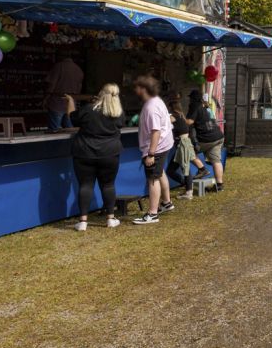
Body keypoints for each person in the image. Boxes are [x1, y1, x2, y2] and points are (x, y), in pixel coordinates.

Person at [66, 85, 125, 231]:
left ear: (100, 94)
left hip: (85, 152)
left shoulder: (88, 109)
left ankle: (83, 222)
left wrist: (70, 101)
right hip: (110, 153)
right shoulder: (118, 113)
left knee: (85, 185)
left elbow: (72, 117)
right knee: (108, 185)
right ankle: (110, 218)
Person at [132, 76, 174, 224]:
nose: (135, 90)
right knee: (159, 172)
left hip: (157, 147)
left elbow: (155, 131)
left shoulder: (151, 107)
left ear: (144, 89)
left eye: (137, 87)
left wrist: (151, 153)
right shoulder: (157, 101)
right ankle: (167, 202)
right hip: (164, 144)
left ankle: (152, 213)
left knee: (153, 178)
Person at [188, 89, 223, 190]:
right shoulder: (206, 106)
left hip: (207, 138)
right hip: (218, 136)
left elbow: (189, 121)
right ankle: (219, 185)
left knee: (187, 151)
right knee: (216, 161)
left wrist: (178, 118)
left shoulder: (194, 106)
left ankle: (202, 169)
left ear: (192, 99)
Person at [166, 92, 198, 199]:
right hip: (184, 143)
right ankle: (186, 184)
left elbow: (163, 122)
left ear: (171, 107)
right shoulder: (181, 115)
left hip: (182, 143)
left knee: (185, 168)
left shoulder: (174, 116)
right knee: (171, 170)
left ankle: (189, 192)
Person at [44, 53, 83, 132]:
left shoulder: (58, 66)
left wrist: (46, 97)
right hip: (71, 102)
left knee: (55, 130)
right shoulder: (78, 69)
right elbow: (79, 87)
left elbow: (52, 84)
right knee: (70, 129)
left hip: (57, 101)